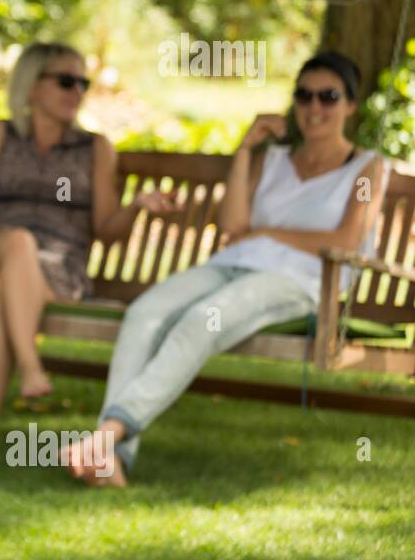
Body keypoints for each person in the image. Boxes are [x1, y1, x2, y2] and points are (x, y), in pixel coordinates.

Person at [64, 52, 388, 487]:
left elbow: (346, 240)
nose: (314, 107)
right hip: (232, 265)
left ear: (350, 104)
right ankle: (112, 459)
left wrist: (267, 232)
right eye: (304, 96)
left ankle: (107, 436)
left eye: (328, 97)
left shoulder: (367, 169)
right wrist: (245, 150)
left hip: (298, 282)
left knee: (202, 320)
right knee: (144, 313)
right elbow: (234, 227)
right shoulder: (272, 160)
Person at [0, 42, 174, 460]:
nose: (78, 92)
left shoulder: (95, 148)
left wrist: (136, 207)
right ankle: (30, 366)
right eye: (66, 81)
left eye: (84, 83)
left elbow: (106, 229)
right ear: (32, 86)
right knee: (18, 242)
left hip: (58, 268)